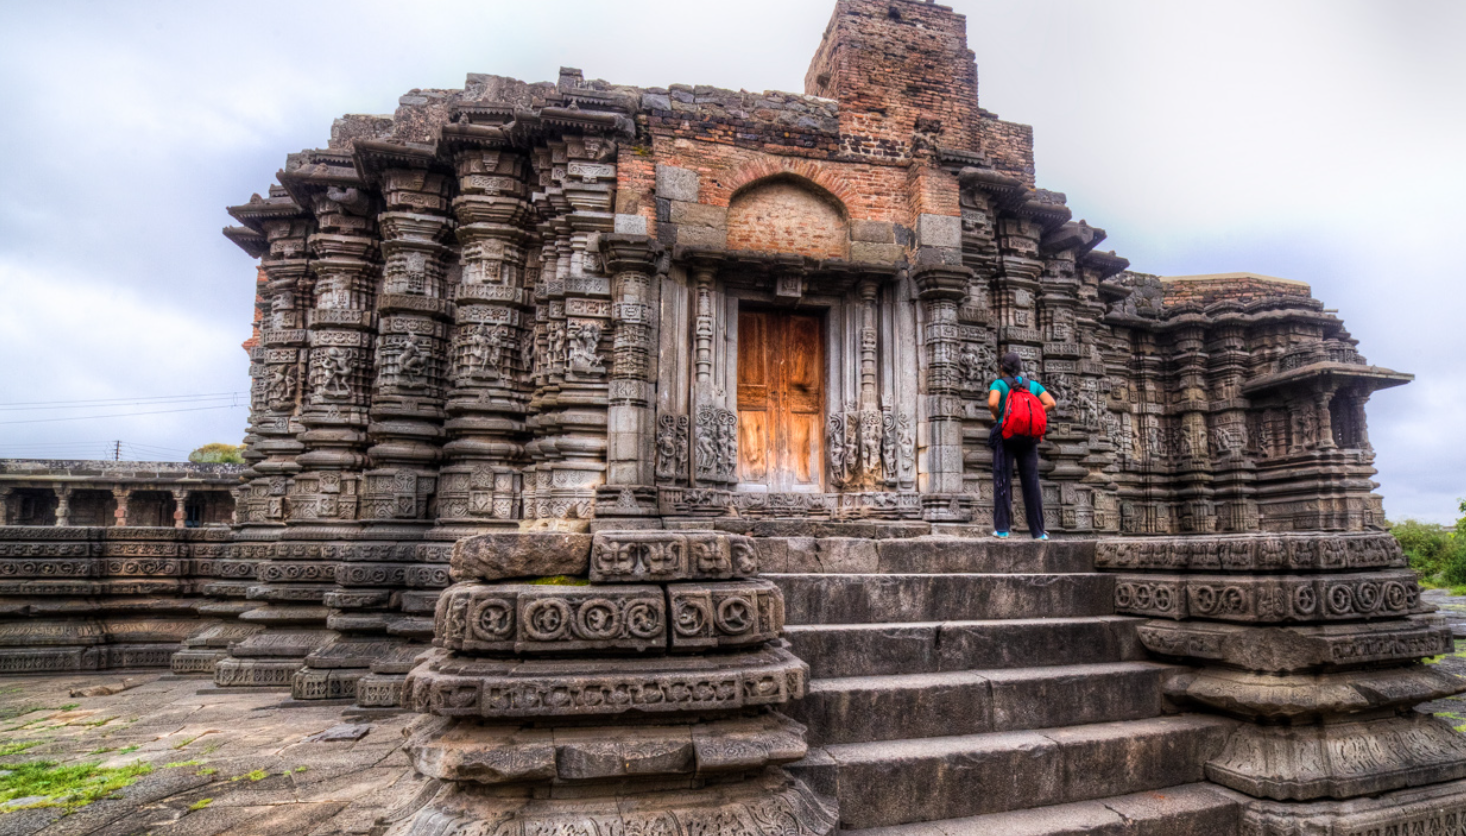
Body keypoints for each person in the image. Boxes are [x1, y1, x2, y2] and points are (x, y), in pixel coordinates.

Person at [988, 352, 1057, 539]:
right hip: (1028, 437)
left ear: (1002, 367)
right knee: (1032, 482)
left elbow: (992, 402)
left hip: (1006, 434)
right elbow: (1051, 403)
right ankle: (1038, 532)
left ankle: (1002, 529)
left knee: (1003, 479)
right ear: (1019, 368)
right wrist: (1031, 413)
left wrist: (998, 416)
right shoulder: (1032, 385)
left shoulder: (999, 384)